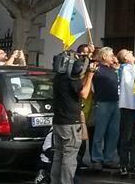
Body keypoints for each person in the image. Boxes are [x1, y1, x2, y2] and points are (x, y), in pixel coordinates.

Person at [51, 47, 96, 184]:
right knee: (69, 158)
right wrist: (91, 75)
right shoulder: (71, 79)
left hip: (58, 121)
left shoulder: (58, 77)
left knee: (58, 156)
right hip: (70, 123)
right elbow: (84, 93)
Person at [90, 46, 120, 170]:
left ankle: (109, 158)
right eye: (111, 54)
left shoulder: (112, 69)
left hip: (115, 102)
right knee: (100, 132)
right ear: (104, 57)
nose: (113, 57)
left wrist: (116, 65)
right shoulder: (97, 69)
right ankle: (97, 159)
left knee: (113, 132)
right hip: (102, 103)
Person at [116, 49, 135, 177]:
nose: (132, 52)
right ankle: (123, 164)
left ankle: (134, 164)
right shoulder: (123, 68)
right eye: (128, 53)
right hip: (128, 105)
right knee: (126, 135)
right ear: (125, 58)